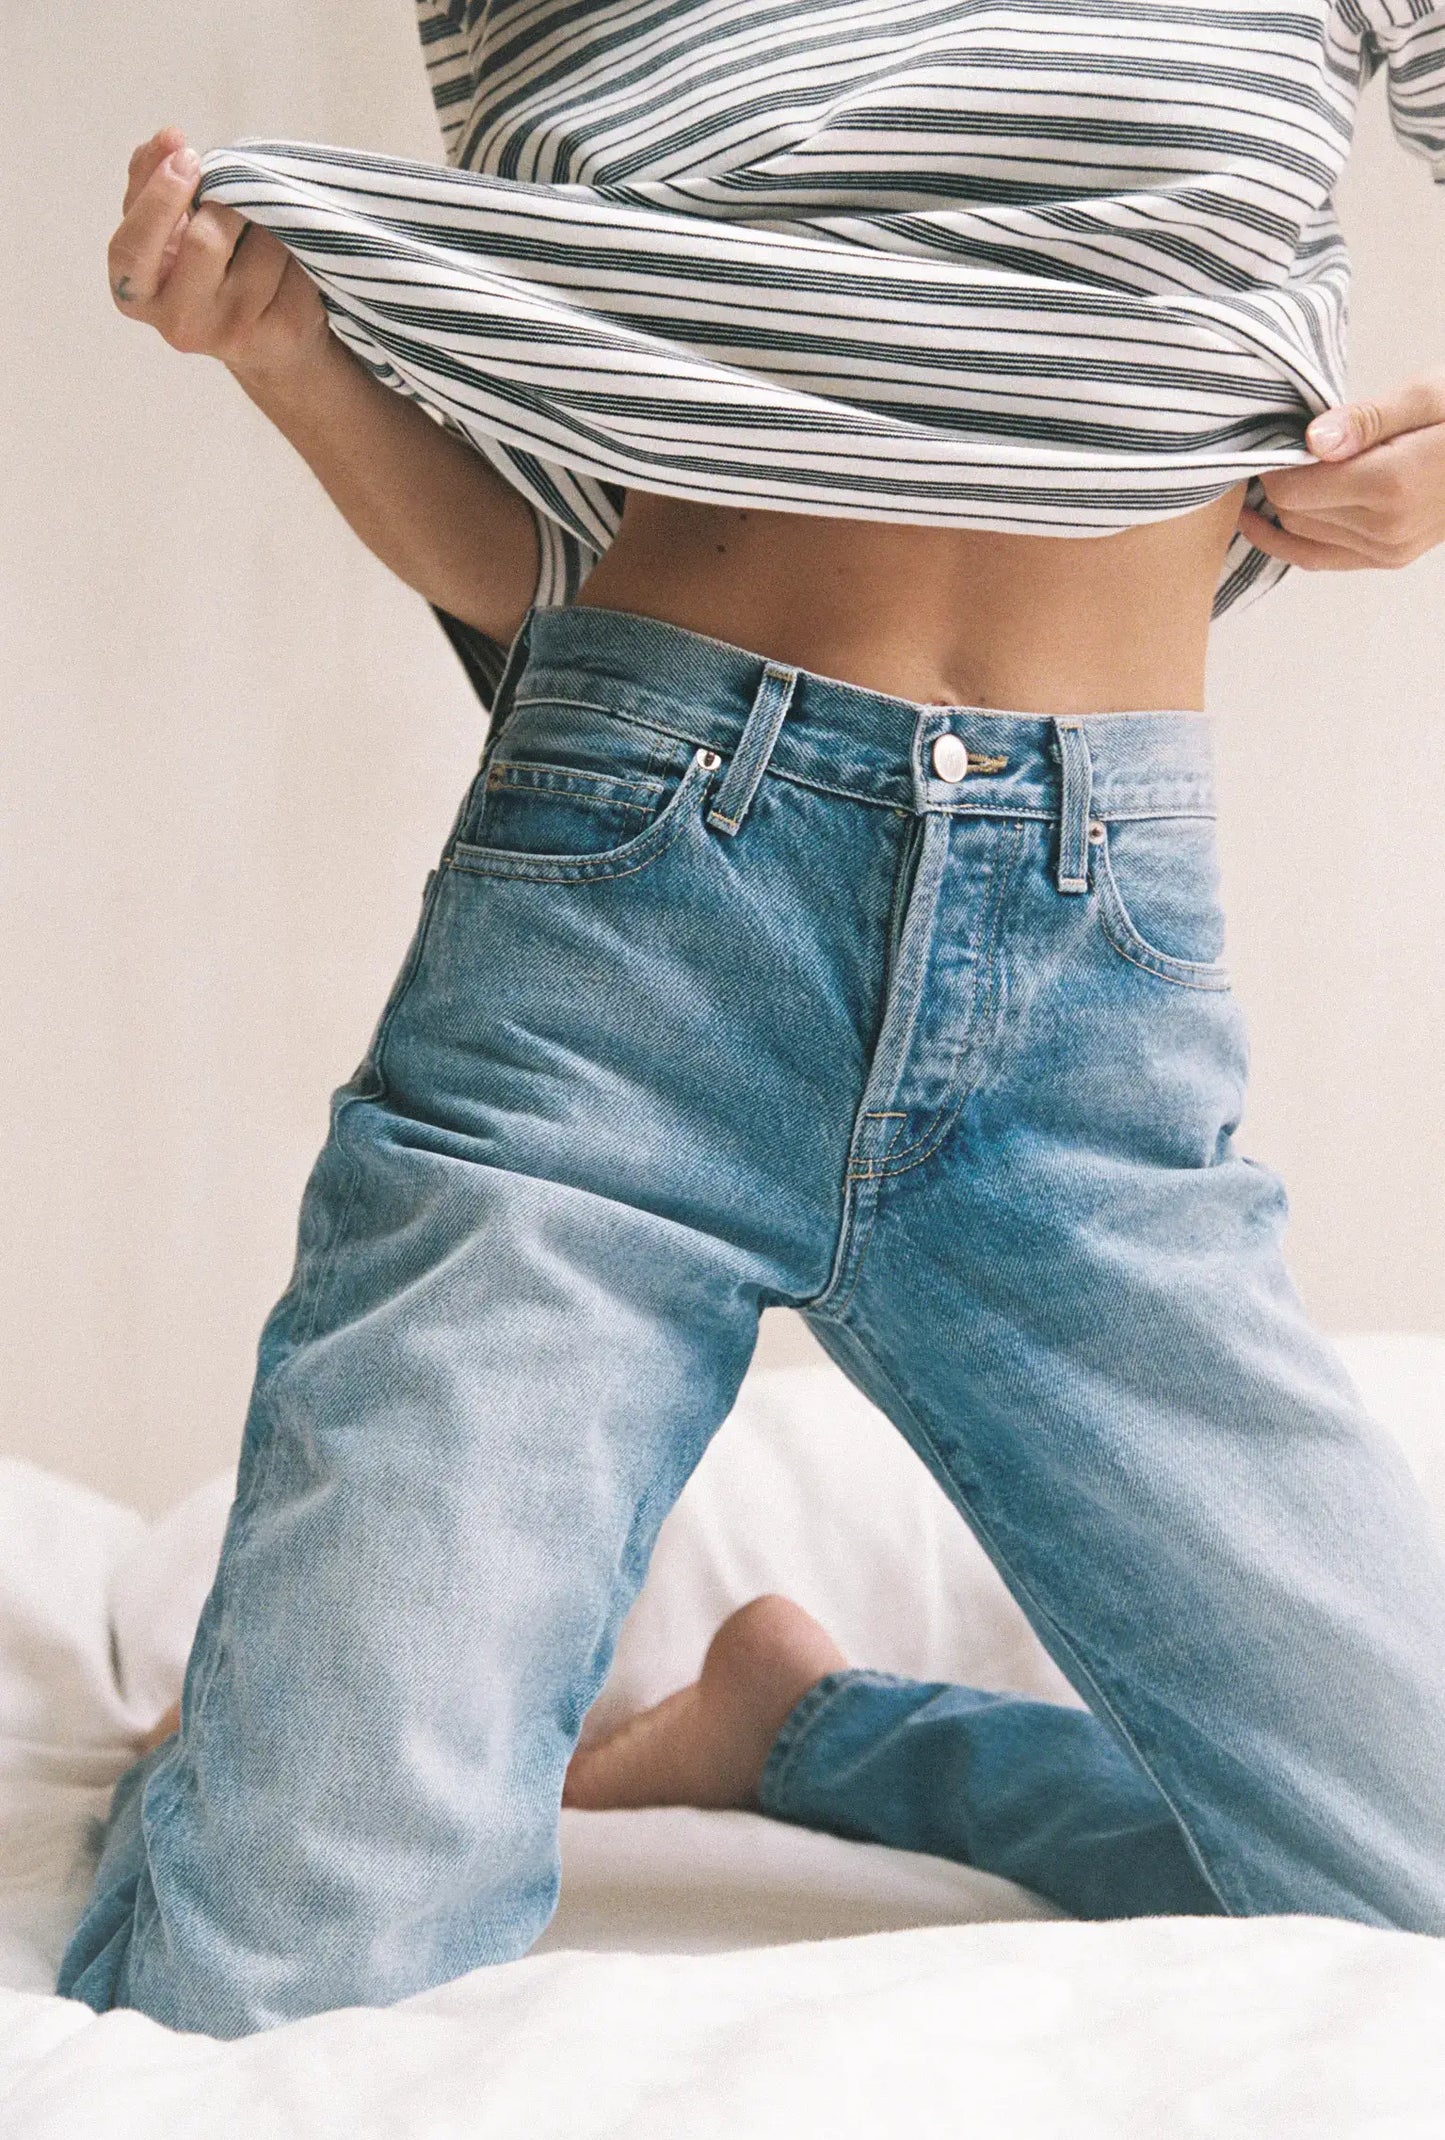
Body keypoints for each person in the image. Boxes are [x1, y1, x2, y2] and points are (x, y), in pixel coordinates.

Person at [62, 0, 1445, 2038]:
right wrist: (290, 352)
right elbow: (563, 565)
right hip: (630, 938)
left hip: (1095, 992)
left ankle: (809, 1726)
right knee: (278, 1996)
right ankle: (307, 1719)